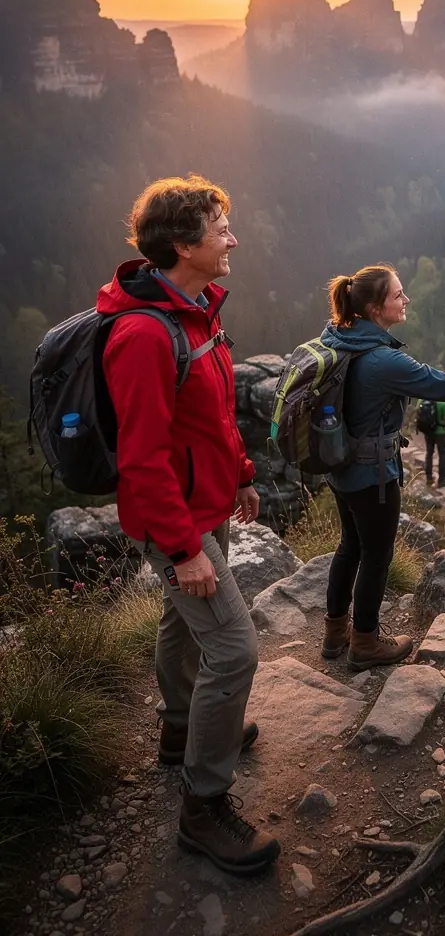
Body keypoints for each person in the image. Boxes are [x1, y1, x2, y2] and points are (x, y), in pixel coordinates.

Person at [98, 175, 280, 877]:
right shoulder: (145, 334)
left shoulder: (196, 308)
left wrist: (237, 473)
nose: (233, 238)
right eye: (220, 227)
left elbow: (210, 411)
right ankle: (203, 808)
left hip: (205, 501)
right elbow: (142, 461)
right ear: (183, 244)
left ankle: (181, 732)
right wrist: (182, 550)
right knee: (234, 652)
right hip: (172, 517)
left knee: (183, 625)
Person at [320, 264, 445, 669]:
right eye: (398, 295)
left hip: (340, 465)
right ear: (376, 308)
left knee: (351, 546)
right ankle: (365, 643)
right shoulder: (382, 361)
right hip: (372, 476)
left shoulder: (338, 336)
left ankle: (335, 633)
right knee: (377, 554)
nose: (405, 300)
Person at [422, 398, 445, 487]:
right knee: (442, 455)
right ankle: (441, 479)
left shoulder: (423, 399)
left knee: (429, 453)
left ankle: (429, 478)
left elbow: (418, 413)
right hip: (440, 433)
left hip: (428, 432)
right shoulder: (443, 402)